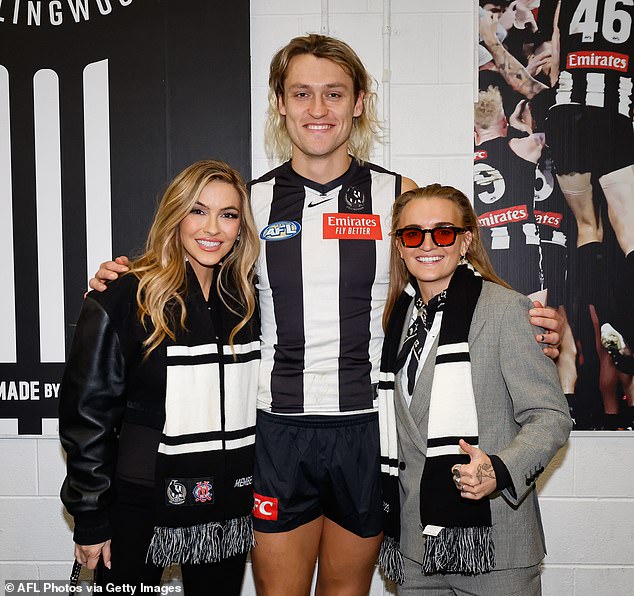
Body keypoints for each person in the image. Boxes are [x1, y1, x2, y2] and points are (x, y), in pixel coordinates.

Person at [88, 34, 563, 595]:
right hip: (275, 432)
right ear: (280, 103)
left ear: (359, 102)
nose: (319, 110)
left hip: (366, 430)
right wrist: (127, 276)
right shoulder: (250, 202)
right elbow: (193, 266)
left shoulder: (395, 194)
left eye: (334, 94)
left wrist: (523, 321)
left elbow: (452, 269)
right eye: (303, 94)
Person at [60, 160, 260, 595]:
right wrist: (91, 514)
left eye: (228, 215)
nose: (213, 228)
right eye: (198, 210)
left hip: (223, 502)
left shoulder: (247, 300)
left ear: (241, 228)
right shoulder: (126, 292)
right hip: (137, 499)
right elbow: (87, 413)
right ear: (175, 216)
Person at [378, 183, 572, 594]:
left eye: (443, 232)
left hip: (495, 545)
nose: (427, 244)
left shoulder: (506, 310)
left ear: (465, 240)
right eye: (412, 234)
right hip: (416, 550)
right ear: (399, 246)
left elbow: (550, 417)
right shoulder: (396, 319)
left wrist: (500, 469)